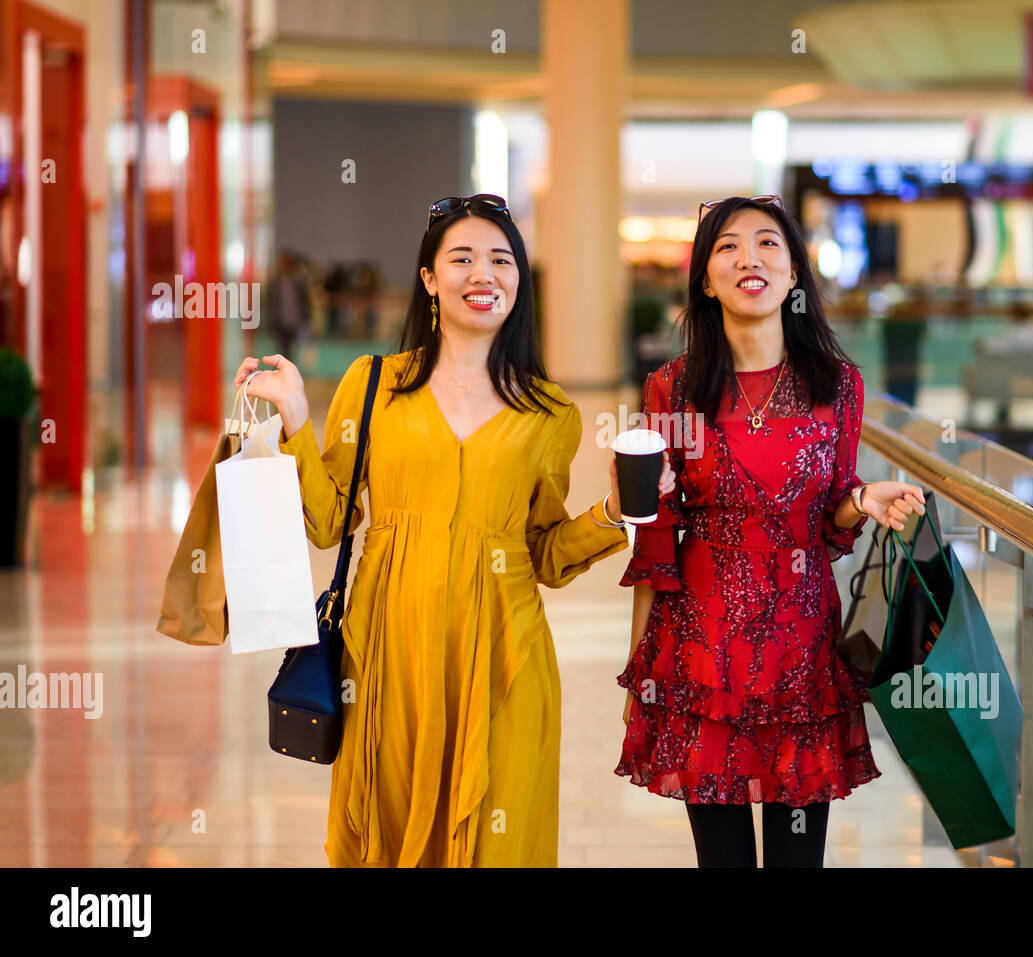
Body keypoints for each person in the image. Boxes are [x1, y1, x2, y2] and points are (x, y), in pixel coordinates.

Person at [236, 194, 673, 867]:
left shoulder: (549, 411)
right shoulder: (375, 382)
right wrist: (298, 418)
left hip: (503, 656)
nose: (483, 274)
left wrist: (612, 514)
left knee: (496, 838)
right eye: (462, 258)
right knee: (387, 827)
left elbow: (547, 555)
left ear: (520, 282)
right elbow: (329, 522)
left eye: (501, 259)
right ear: (429, 279)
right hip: (388, 657)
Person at [616, 195, 925, 868]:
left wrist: (863, 498)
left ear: (793, 274)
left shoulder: (837, 384)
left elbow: (832, 511)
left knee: (796, 860)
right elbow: (656, 540)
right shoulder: (673, 388)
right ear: (704, 277)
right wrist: (642, 667)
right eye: (727, 245)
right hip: (702, 650)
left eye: (767, 244)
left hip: (802, 646)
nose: (748, 257)